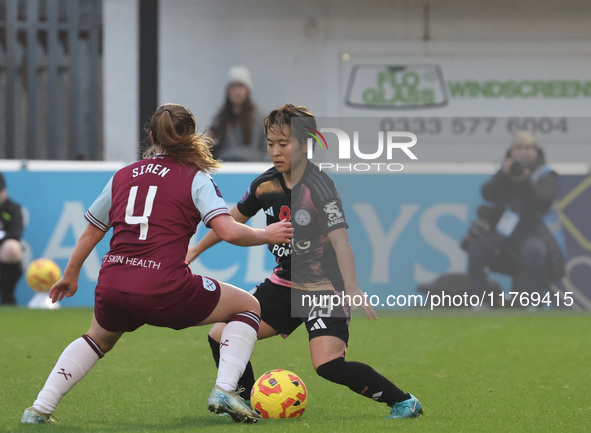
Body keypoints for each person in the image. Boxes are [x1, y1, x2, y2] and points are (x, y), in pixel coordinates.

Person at [21, 103, 292, 424]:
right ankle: (225, 389)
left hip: (113, 284)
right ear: (192, 137)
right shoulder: (195, 178)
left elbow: (92, 231)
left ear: (151, 136)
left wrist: (70, 274)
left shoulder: (122, 176)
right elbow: (228, 231)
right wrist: (267, 233)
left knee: (96, 338)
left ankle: (39, 410)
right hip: (164, 286)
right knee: (248, 306)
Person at [187, 104, 423, 419]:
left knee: (327, 365)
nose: (275, 151)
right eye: (270, 143)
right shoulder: (264, 185)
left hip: (323, 288)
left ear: (306, 144)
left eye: (283, 143)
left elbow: (341, 240)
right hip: (283, 285)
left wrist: (351, 285)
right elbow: (228, 223)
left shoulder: (320, 187)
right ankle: (241, 402)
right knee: (220, 333)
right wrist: (193, 252)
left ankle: (404, 401)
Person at [467, 131, 567, 301]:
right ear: (512, 151)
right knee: (477, 247)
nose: (523, 152)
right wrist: (503, 175)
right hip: (502, 232)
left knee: (535, 251)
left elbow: (541, 203)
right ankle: (478, 302)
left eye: (528, 148)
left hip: (533, 231)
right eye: (519, 148)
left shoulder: (545, 174)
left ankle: (532, 303)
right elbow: (487, 194)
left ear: (536, 151)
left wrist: (524, 179)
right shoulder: (504, 171)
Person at [207, 66, 268, 162]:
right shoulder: (219, 118)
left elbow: (267, 148)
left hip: (253, 169)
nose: (236, 91)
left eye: (240, 86)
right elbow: (211, 151)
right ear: (227, 91)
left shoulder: (260, 117)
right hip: (225, 169)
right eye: (232, 86)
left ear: (247, 90)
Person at [0, 172, 25, 305]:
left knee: (12, 248)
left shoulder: (13, 209)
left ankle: (7, 296)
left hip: (3, 252)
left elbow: (15, 234)